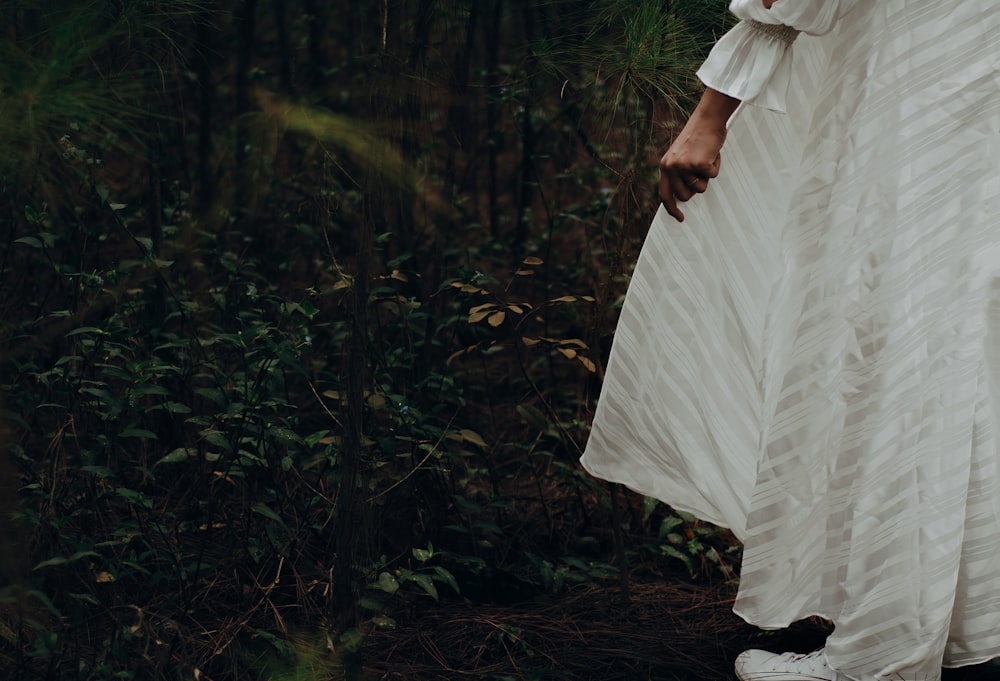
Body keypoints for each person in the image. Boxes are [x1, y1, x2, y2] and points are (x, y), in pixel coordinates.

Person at [581, 1, 1000, 680]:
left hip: (922, 84)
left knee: (908, 333)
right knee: (955, 332)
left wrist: (709, 115)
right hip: (967, 71)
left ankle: (882, 650)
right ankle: (961, 617)